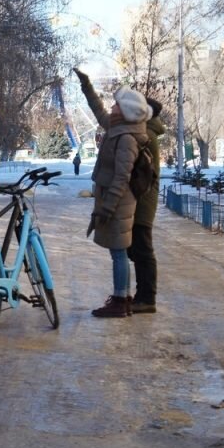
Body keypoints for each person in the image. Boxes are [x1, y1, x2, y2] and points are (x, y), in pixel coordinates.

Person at [73, 70, 153, 318]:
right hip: (112, 199)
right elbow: (98, 111)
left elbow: (122, 177)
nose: (113, 106)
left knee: (119, 251)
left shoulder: (127, 138)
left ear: (126, 110)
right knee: (117, 251)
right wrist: (86, 85)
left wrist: (107, 206)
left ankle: (121, 300)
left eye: (117, 104)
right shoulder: (117, 127)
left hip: (119, 201)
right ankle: (122, 297)